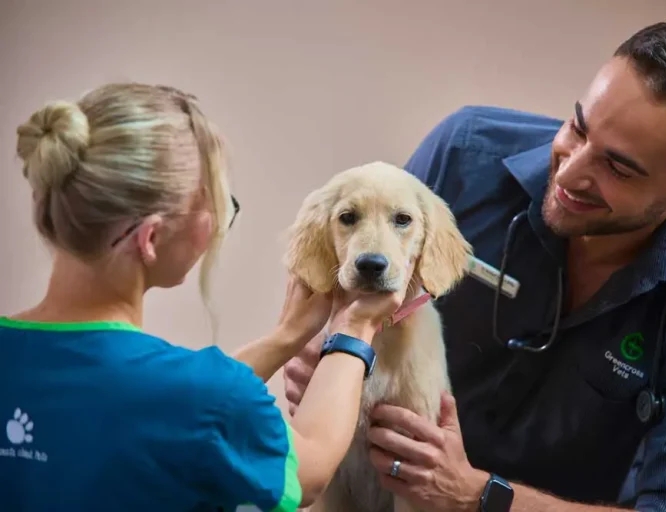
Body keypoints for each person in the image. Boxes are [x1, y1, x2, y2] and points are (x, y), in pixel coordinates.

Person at [284, 19, 666, 512]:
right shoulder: (463, 154)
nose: (570, 173)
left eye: (618, 167)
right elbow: (357, 282)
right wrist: (327, 357)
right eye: (578, 127)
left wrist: (478, 496)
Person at [0, 83, 406, 512]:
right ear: (150, 238)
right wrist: (355, 327)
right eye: (217, 204)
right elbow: (311, 469)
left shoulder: (192, 396)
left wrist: (286, 338)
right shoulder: (202, 397)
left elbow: (168, 407)